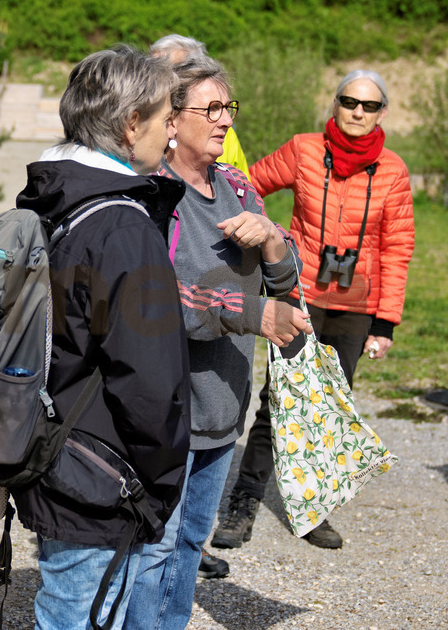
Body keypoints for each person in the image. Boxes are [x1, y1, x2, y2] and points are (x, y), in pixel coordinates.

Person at [124, 58, 310, 630]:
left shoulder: (238, 188)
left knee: (189, 546)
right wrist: (251, 312)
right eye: (211, 109)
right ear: (171, 121)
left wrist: (274, 244)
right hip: (168, 410)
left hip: (224, 407)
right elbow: (154, 302)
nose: (225, 120)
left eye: (229, 108)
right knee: (154, 545)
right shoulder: (156, 196)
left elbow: (287, 285)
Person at [11, 45, 191, 629]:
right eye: (167, 119)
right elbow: (151, 381)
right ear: (130, 123)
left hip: (48, 449)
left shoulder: (51, 196)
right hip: (99, 474)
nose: (171, 136)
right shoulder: (120, 226)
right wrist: (161, 483)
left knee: (63, 607)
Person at [212, 69, 415, 551]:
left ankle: (315, 509)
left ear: (381, 112)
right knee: (278, 400)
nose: (358, 112)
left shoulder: (393, 170)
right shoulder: (304, 149)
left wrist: (385, 322)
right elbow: (249, 184)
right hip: (297, 294)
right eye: (350, 102)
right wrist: (274, 239)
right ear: (336, 104)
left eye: (368, 105)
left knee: (330, 406)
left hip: (355, 305)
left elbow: (397, 247)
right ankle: (244, 503)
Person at [149, 34, 249, 175]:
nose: (160, 82)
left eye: (175, 72)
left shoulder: (225, 136)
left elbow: (244, 190)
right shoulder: (139, 133)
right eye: (153, 72)